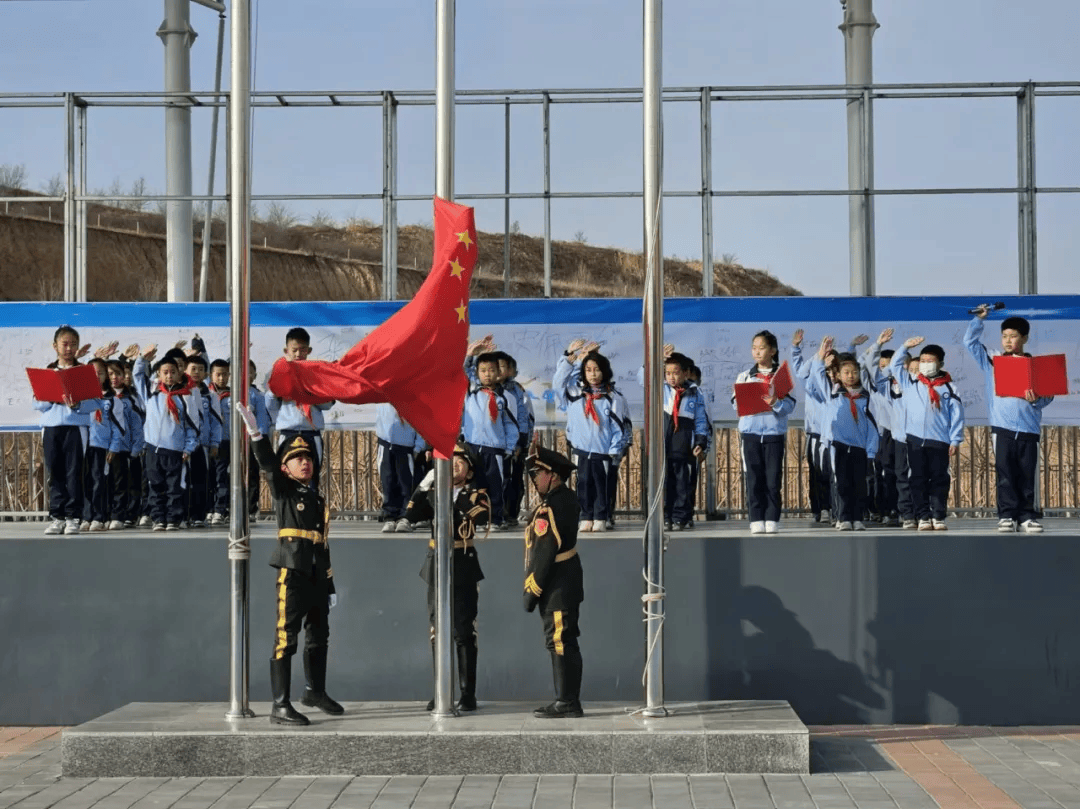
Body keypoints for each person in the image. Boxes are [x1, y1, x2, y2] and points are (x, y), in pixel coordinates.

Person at [236, 400, 343, 727]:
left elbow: (321, 543)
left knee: (319, 634)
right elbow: (267, 464)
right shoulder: (283, 489)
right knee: (287, 636)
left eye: (308, 458)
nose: (305, 462)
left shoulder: (316, 497)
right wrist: (256, 434)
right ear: (286, 468)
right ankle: (279, 705)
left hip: (315, 572)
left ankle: (315, 691)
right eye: (297, 459)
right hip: (292, 571)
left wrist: (330, 583)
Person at [405, 444, 490, 712]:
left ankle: (467, 693)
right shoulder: (433, 491)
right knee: (436, 631)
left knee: (464, 631)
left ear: (470, 470)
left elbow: (464, 518)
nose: (453, 465)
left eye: (460, 461)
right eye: (449, 460)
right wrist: (426, 484)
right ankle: (441, 690)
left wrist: (440, 494)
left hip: (462, 564)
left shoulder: (476, 496)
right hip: (435, 564)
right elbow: (411, 514)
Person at [965, 307, 1054, 533]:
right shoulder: (993, 362)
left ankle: (1026, 516)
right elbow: (970, 343)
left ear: (1024, 338)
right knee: (1005, 473)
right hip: (1002, 428)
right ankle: (1006, 515)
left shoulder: (1035, 366)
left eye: (1013, 336)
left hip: (1028, 429)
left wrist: (1036, 400)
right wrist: (979, 320)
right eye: (1004, 336)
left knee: (1026, 474)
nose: (1007, 340)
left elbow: (1048, 395)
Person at [523, 445, 585, 718]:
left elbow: (544, 552)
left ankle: (567, 701)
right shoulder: (565, 499)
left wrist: (531, 591)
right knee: (565, 639)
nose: (535, 478)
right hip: (567, 578)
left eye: (538, 473)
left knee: (559, 641)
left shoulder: (551, 507)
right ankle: (567, 699)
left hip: (557, 583)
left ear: (553, 476)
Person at [552, 340, 632, 533]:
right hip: (581, 449)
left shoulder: (613, 397)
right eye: (588, 370)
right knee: (583, 484)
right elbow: (558, 384)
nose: (593, 374)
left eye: (597, 370)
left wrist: (614, 450)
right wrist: (569, 359)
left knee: (602, 485)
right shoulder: (576, 393)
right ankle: (585, 515)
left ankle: (601, 516)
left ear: (604, 371)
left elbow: (618, 427)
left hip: (603, 450)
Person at [888, 337, 965, 531]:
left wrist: (955, 440)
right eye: (922, 361)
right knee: (918, 479)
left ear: (940, 364)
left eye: (930, 361)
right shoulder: (910, 383)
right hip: (914, 440)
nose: (925, 365)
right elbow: (895, 364)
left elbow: (957, 416)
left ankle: (938, 515)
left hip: (939, 441)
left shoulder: (949, 388)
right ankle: (922, 515)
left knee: (939, 478)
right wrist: (905, 347)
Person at [807, 338, 879, 531]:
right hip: (838, 445)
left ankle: (857, 517)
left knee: (859, 484)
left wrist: (871, 449)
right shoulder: (833, 392)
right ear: (838, 374)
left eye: (854, 372)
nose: (851, 376)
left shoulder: (865, 396)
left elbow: (872, 424)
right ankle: (843, 517)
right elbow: (817, 374)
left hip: (859, 447)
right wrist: (821, 357)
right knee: (841, 483)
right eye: (846, 372)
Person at [34, 325, 99, 536]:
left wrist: (77, 405)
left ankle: (73, 517)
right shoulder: (48, 371)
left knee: (74, 473)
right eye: (64, 344)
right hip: (52, 428)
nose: (69, 348)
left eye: (73, 344)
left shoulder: (83, 372)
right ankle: (57, 517)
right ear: (55, 346)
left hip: (76, 428)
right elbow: (36, 403)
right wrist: (51, 397)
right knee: (55, 473)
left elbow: (96, 402)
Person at [733, 330, 796, 534]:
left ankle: (771, 518)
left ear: (773, 351)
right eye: (754, 348)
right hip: (750, 434)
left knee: (772, 478)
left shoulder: (781, 376)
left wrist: (775, 402)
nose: (757, 352)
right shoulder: (744, 376)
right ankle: (756, 518)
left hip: (773, 435)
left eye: (762, 348)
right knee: (753, 477)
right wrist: (744, 400)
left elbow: (789, 406)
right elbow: (736, 403)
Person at [264, 328, 335, 490]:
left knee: (311, 475)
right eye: (294, 350)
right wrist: (276, 392)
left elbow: (327, 404)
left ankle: (311, 512)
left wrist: (310, 393)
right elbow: (271, 406)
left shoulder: (315, 374)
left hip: (312, 434)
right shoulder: (280, 373)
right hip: (288, 433)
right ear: (286, 350)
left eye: (302, 350)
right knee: (286, 475)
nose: (298, 354)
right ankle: (290, 514)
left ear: (309, 351)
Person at [138, 354, 198, 531]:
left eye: (173, 372)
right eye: (165, 372)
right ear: (159, 374)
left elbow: (192, 425)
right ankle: (158, 518)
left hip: (175, 450)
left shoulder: (185, 397)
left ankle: (173, 518)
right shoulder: (152, 394)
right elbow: (137, 377)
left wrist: (188, 448)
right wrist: (142, 360)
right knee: (155, 485)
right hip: (153, 448)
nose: (169, 375)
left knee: (174, 486)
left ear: (180, 373)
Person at [461, 346, 518, 527]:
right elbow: (462, 372)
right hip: (472, 447)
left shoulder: (506, 397)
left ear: (499, 372)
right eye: (483, 371)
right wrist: (470, 354)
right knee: (474, 486)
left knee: (495, 485)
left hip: (495, 449)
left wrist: (509, 447)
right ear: (477, 373)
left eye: (492, 370)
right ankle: (476, 519)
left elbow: (511, 424)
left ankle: (496, 519)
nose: (487, 374)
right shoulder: (471, 391)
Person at [661, 352, 710, 530]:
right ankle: (665, 516)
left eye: (676, 372)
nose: (672, 377)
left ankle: (681, 516)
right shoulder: (661, 390)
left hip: (684, 445)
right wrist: (658, 359)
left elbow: (700, 420)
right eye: (668, 373)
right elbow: (645, 378)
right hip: (665, 445)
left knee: (684, 484)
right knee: (666, 483)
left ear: (684, 373)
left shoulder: (695, 393)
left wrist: (700, 442)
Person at [494, 351, 533, 528]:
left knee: (513, 481)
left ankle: (510, 513)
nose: (497, 370)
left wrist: (521, 443)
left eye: (502, 366)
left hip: (514, 445)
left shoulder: (517, 392)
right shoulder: (483, 390)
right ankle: (493, 514)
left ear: (510, 370)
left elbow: (523, 418)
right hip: (492, 444)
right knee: (494, 480)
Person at [375, 402, 427, 533]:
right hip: (385, 445)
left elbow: (421, 423)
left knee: (406, 484)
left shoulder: (413, 397)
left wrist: (418, 447)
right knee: (388, 482)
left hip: (406, 447)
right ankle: (389, 517)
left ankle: (405, 517)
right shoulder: (384, 394)